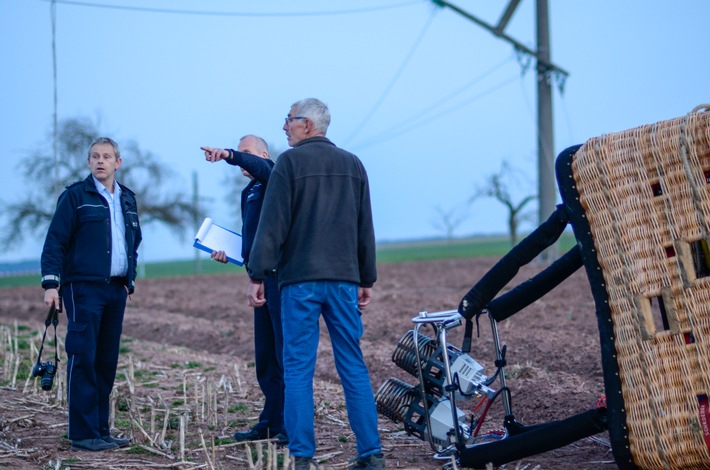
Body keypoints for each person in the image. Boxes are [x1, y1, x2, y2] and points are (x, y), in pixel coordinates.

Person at [246, 99, 385, 470]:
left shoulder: (289, 164)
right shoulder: (353, 164)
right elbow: (364, 226)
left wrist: (258, 274)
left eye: (289, 121)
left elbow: (272, 224)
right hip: (343, 281)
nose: (284, 127)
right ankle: (371, 454)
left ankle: (302, 457)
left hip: (299, 282)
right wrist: (365, 277)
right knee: (353, 365)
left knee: (297, 368)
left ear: (307, 125)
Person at [41, 137, 142, 452]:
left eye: (107, 157)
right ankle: (82, 434)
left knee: (105, 361)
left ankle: (100, 430)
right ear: (88, 162)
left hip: (115, 289)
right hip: (82, 288)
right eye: (95, 157)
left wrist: (130, 279)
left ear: (118, 163)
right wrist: (51, 285)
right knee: (83, 356)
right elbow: (55, 241)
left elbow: (133, 241)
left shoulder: (127, 198)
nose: (101, 161)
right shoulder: (75, 196)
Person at [200, 135, 287, 445]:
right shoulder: (249, 191)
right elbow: (254, 238)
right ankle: (271, 421)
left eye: (246, 153)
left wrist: (227, 154)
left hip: (279, 281)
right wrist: (232, 254)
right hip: (258, 278)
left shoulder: (275, 176)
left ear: (263, 155)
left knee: (283, 355)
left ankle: (291, 425)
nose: (241, 160)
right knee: (265, 358)